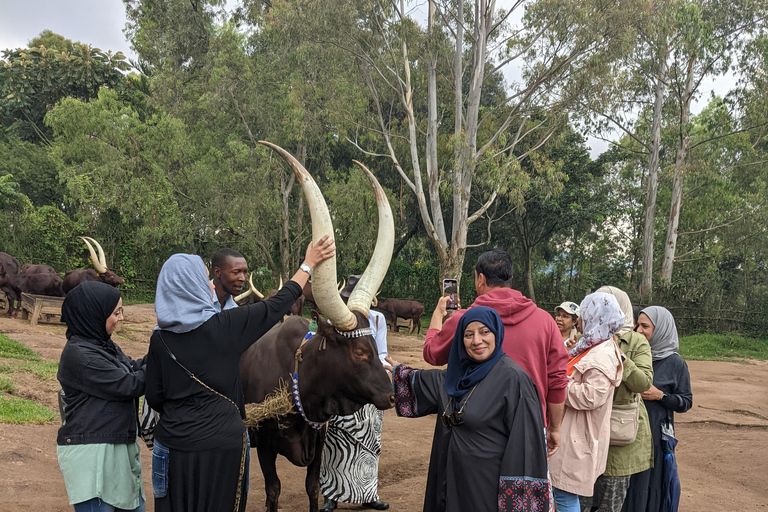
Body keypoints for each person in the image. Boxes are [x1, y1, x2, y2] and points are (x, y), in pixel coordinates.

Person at [145, 236, 334, 512]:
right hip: (224, 445)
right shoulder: (228, 326)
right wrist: (308, 264)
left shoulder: (158, 340)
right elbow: (275, 305)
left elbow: (154, 397)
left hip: (174, 446)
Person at [388, 306, 549, 512]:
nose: (476, 341)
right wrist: (398, 373)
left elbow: (527, 446)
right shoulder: (457, 375)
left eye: (484, 332)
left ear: (497, 333)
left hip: (486, 487)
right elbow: (431, 381)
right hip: (450, 478)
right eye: (468, 334)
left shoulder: (514, 380)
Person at [422, 249, 568, 457]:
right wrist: (553, 428)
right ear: (510, 278)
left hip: (476, 433)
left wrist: (438, 314)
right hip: (529, 427)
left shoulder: (464, 321)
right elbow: (557, 380)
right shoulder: (545, 322)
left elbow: (431, 354)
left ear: (480, 279)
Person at [56, 281, 147, 512]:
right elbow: (130, 384)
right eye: (116, 312)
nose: (121, 318)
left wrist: (161, 351)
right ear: (93, 313)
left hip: (113, 445)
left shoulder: (101, 345)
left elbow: (132, 367)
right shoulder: (81, 356)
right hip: (93, 454)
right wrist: (166, 359)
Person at [549, 292, 625, 512]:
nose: (579, 319)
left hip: (577, 437)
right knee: (560, 493)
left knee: (563, 495)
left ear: (596, 316)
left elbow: (591, 396)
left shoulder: (601, 354)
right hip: (573, 433)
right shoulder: (593, 344)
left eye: (584, 314)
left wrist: (558, 383)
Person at [319, 275, 390, 511]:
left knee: (369, 444)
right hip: (345, 388)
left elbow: (381, 354)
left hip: (370, 386)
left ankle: (369, 494)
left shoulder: (378, 320)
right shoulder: (335, 321)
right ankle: (331, 495)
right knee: (337, 442)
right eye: (346, 299)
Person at [585, 286, 654, 512]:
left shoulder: (635, 341)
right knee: (578, 503)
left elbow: (643, 383)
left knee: (608, 505)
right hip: (585, 433)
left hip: (618, 438)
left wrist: (618, 355)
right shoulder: (584, 339)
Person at [623, 306, 693, 512]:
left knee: (649, 484)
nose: (639, 330)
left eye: (645, 326)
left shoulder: (676, 364)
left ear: (661, 329)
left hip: (655, 437)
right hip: (627, 432)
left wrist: (661, 396)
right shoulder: (631, 356)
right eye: (637, 325)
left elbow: (686, 402)